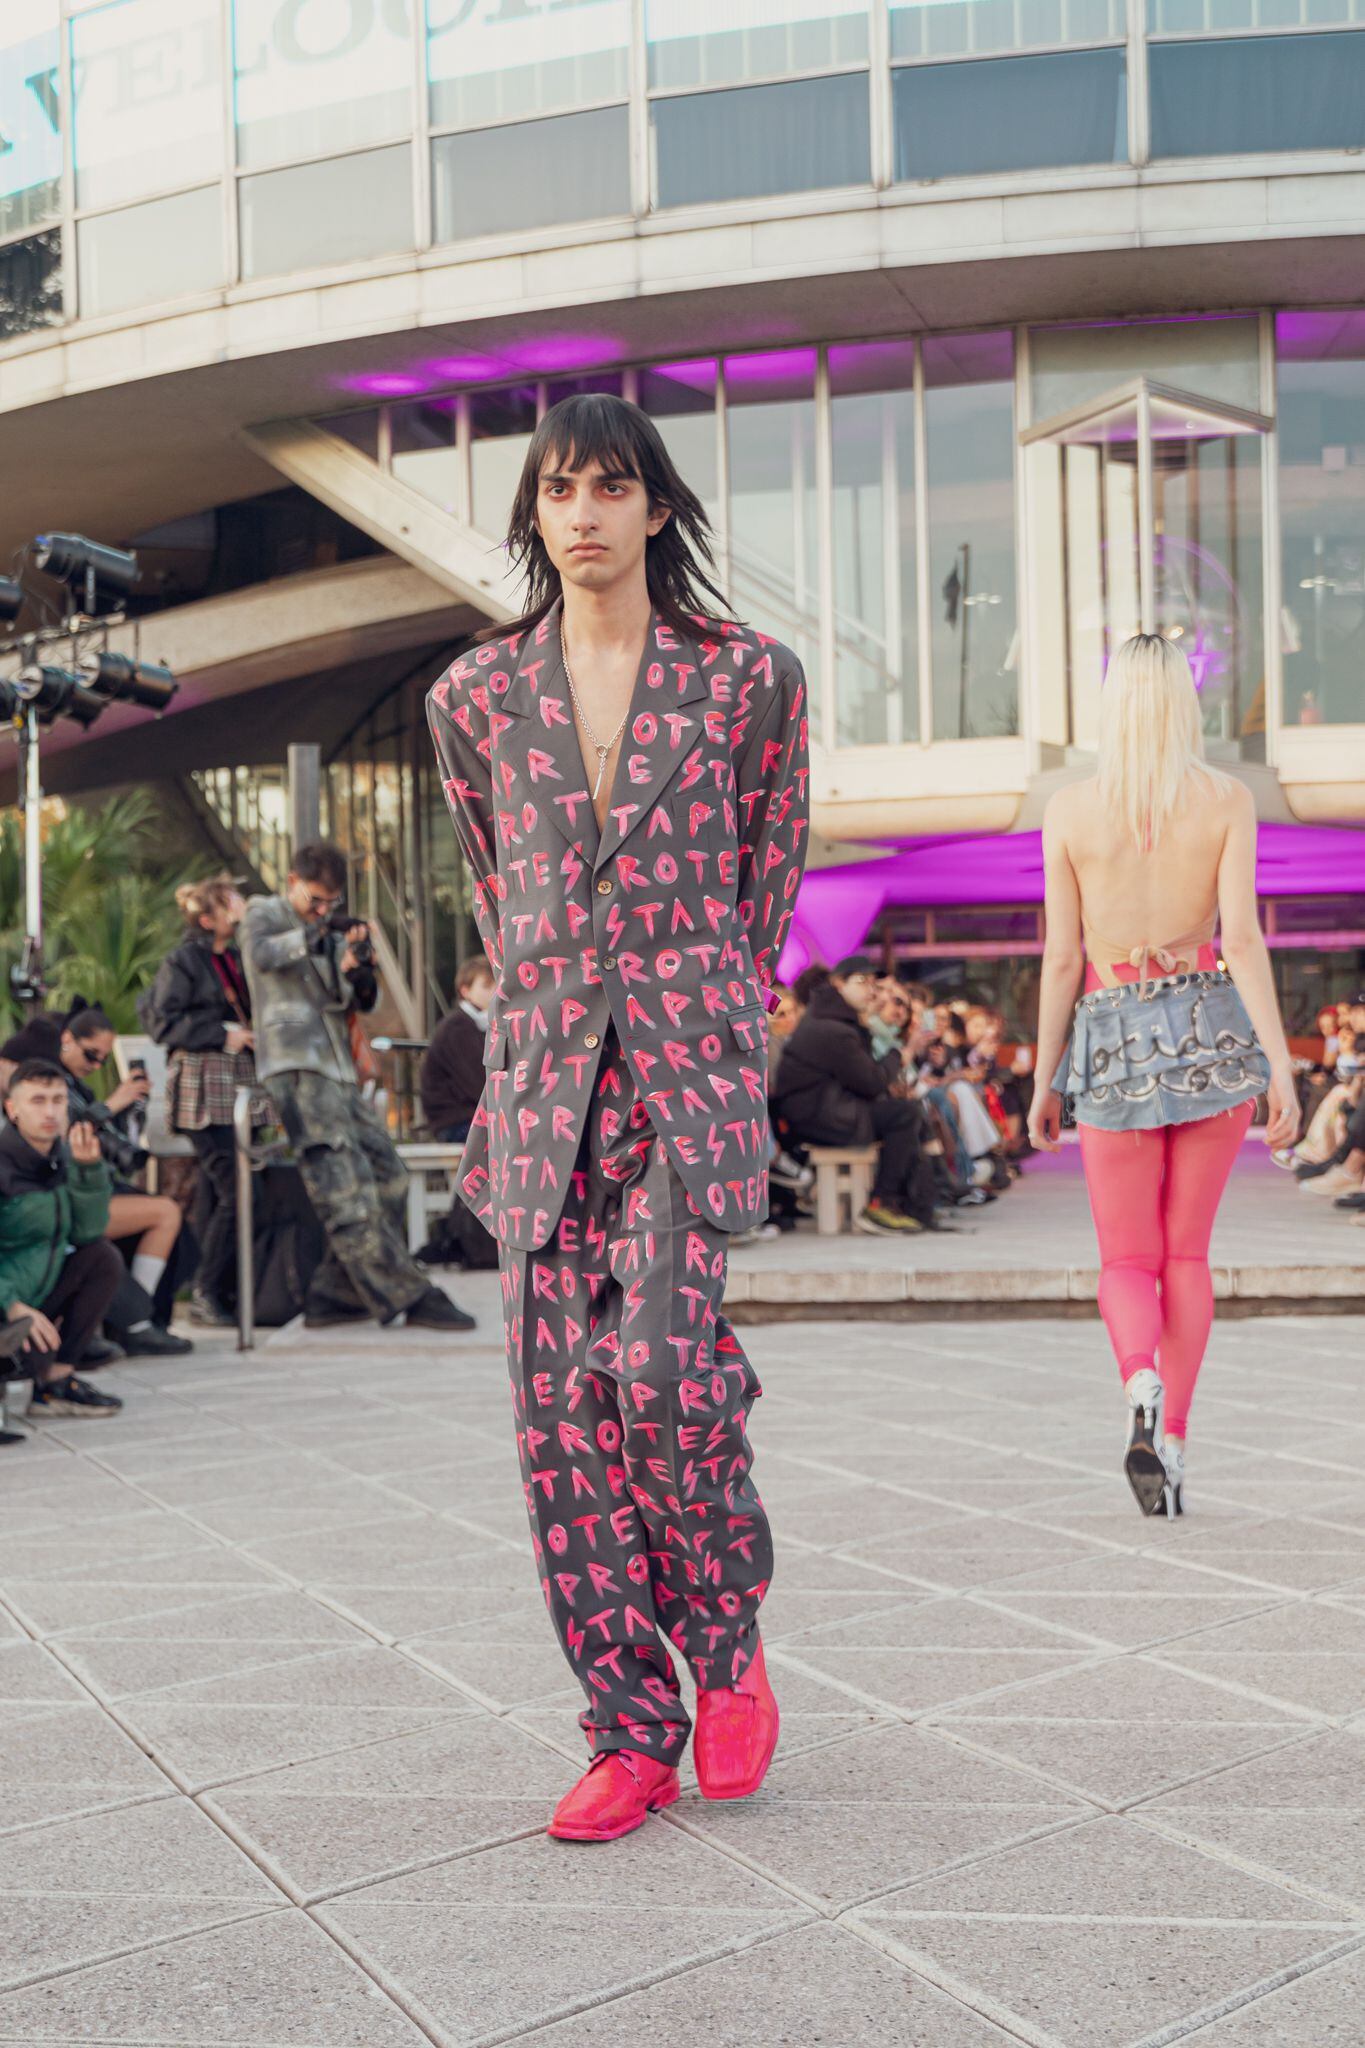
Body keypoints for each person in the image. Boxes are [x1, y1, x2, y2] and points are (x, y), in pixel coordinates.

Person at [428, 389, 808, 1844]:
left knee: (656, 1370)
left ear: (656, 504)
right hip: (542, 1088)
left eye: (608, 486)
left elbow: (766, 877)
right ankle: (628, 1731)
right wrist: (556, 1008)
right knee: (559, 1426)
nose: (582, 513)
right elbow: (499, 885)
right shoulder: (475, 695)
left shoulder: (745, 679)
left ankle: (725, 1644)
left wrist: (703, 1012)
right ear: (534, 513)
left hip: (683, 1075)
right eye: (557, 490)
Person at [1029, 631, 1298, 1519]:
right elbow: (1242, 942)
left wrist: (1043, 1079)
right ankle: (1173, 1438)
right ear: (1186, 703)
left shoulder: (1070, 810)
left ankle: (1137, 1379)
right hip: (1210, 1032)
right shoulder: (1226, 800)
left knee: (1125, 1259)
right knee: (1185, 1255)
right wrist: (1280, 1067)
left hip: (1112, 1043)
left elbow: (1060, 959)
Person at [239, 841, 473, 1333]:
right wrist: (318, 932)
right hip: (294, 1065)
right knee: (343, 1186)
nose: (323, 911)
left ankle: (336, 1293)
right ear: (292, 882)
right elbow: (261, 954)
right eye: (315, 900)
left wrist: (356, 970)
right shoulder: (265, 913)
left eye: (332, 903)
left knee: (389, 1174)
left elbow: (349, 1000)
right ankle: (408, 1294)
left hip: (339, 1069)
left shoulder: (321, 930)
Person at [146, 874, 275, 1326]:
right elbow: (163, 1024)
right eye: (229, 903)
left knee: (219, 1188)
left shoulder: (236, 957)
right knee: (236, 1188)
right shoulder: (183, 960)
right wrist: (223, 1034)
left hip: (238, 1082)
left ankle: (217, 1287)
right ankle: (206, 1288)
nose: (239, 907)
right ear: (207, 917)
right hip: (204, 1082)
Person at [57, 1007, 194, 1359]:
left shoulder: (78, 1090)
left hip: (89, 1190)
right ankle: (135, 1324)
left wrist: (130, 1108)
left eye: (103, 1059)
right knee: (163, 1213)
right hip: (65, 1198)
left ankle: (135, 1319)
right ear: (67, 1039)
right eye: (91, 1055)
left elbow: (117, 1150)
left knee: (165, 1217)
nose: (95, 1065)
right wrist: (111, 1104)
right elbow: (68, 1133)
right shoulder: (54, 1085)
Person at [773, 955, 938, 1235]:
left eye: (873, 983)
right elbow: (872, 1082)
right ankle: (882, 1203)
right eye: (862, 982)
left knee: (907, 1111)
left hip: (825, 1111)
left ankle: (918, 1201)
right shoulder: (832, 1028)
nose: (871, 990)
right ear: (838, 983)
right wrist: (902, 1053)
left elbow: (865, 1078)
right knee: (904, 1114)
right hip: (819, 1118)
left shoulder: (832, 1019)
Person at [0, 1059, 125, 1420]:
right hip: (8, 1305)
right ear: (13, 1109)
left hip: (32, 1305)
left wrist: (89, 1173)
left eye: (58, 1100)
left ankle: (55, 1382)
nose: (50, 1112)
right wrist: (11, 1305)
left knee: (101, 1257)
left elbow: (87, 1233)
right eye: (38, 1101)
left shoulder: (61, 1158)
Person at [419, 955, 494, 1142]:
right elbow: (478, 1083)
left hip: (465, 1118)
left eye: (496, 985)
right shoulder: (458, 1028)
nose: (494, 991)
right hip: (456, 1121)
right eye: (487, 986)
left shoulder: (474, 1024)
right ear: (465, 991)